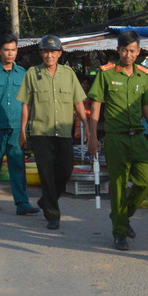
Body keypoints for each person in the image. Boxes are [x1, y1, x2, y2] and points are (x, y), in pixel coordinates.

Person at [87, 29, 148, 251]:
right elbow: (96, 106)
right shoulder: (106, 74)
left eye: (132, 51)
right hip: (115, 138)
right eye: (124, 50)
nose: (128, 55)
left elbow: (147, 107)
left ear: (139, 51)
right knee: (118, 185)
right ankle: (119, 233)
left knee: (146, 181)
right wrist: (92, 137)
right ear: (118, 50)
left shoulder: (144, 76)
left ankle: (121, 215)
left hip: (138, 137)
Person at [18, 35, 95, 231]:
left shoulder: (68, 74)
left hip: (63, 132)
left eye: (53, 51)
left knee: (66, 169)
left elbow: (78, 102)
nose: (49, 55)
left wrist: (87, 127)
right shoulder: (32, 74)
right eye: (45, 51)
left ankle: (46, 200)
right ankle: (53, 214)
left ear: (60, 53)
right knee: (46, 174)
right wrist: (22, 131)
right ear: (41, 53)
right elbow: (26, 105)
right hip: (40, 132)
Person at [0, 35, 37, 215]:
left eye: (13, 50)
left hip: (16, 127)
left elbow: (27, 102)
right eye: (6, 50)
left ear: (17, 51)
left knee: (17, 165)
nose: (10, 53)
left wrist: (24, 129)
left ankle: (22, 203)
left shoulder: (22, 73)